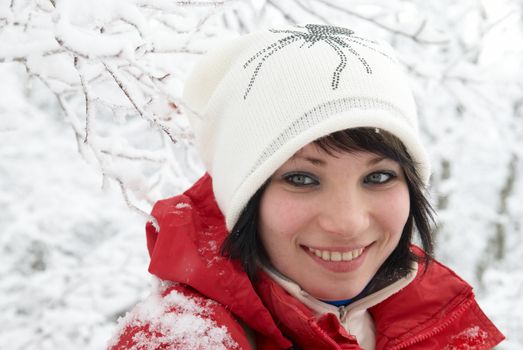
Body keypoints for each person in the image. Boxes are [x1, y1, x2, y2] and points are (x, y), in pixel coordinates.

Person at [108, 24, 504, 349]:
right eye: (302, 179)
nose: (347, 223)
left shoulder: (439, 325)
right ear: (243, 196)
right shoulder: (180, 340)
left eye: (378, 177)